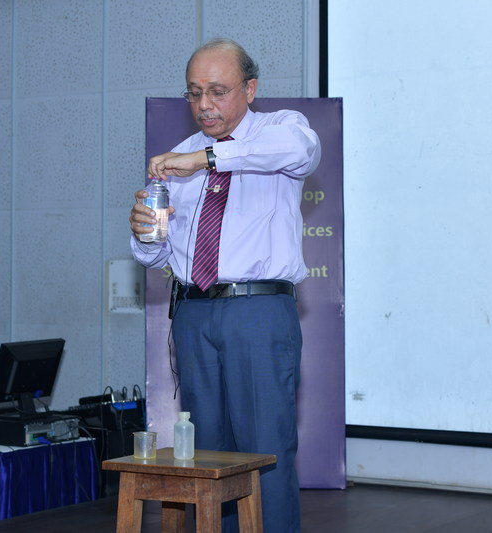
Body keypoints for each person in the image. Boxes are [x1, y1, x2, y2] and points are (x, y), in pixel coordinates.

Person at [129, 38, 321, 533]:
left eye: (218, 91)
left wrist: (208, 158)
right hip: (193, 313)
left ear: (250, 89)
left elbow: (301, 152)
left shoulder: (280, 130)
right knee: (209, 455)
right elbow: (158, 256)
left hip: (256, 312)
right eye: (194, 93)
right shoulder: (178, 157)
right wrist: (145, 235)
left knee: (264, 449)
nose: (204, 105)